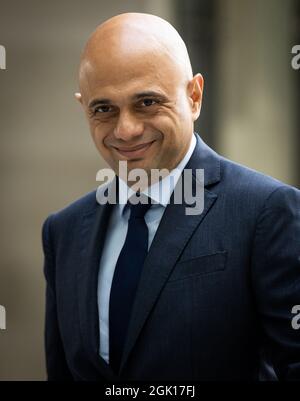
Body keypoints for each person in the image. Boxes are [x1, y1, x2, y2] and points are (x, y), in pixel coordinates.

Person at [42, 12, 300, 381]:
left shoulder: (267, 212)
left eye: (147, 102)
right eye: (104, 109)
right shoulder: (63, 231)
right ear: (84, 107)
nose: (125, 129)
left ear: (194, 96)